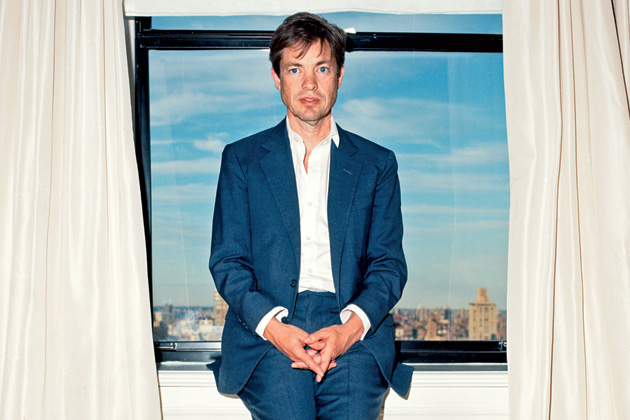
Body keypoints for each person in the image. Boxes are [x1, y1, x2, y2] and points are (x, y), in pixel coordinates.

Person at [209, 12, 412, 420]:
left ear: (339, 76)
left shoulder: (377, 164)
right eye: (294, 69)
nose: (309, 84)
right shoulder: (242, 159)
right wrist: (276, 329)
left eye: (322, 68)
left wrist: (348, 330)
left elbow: (388, 266)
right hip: (269, 323)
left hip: (351, 323)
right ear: (276, 77)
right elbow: (228, 262)